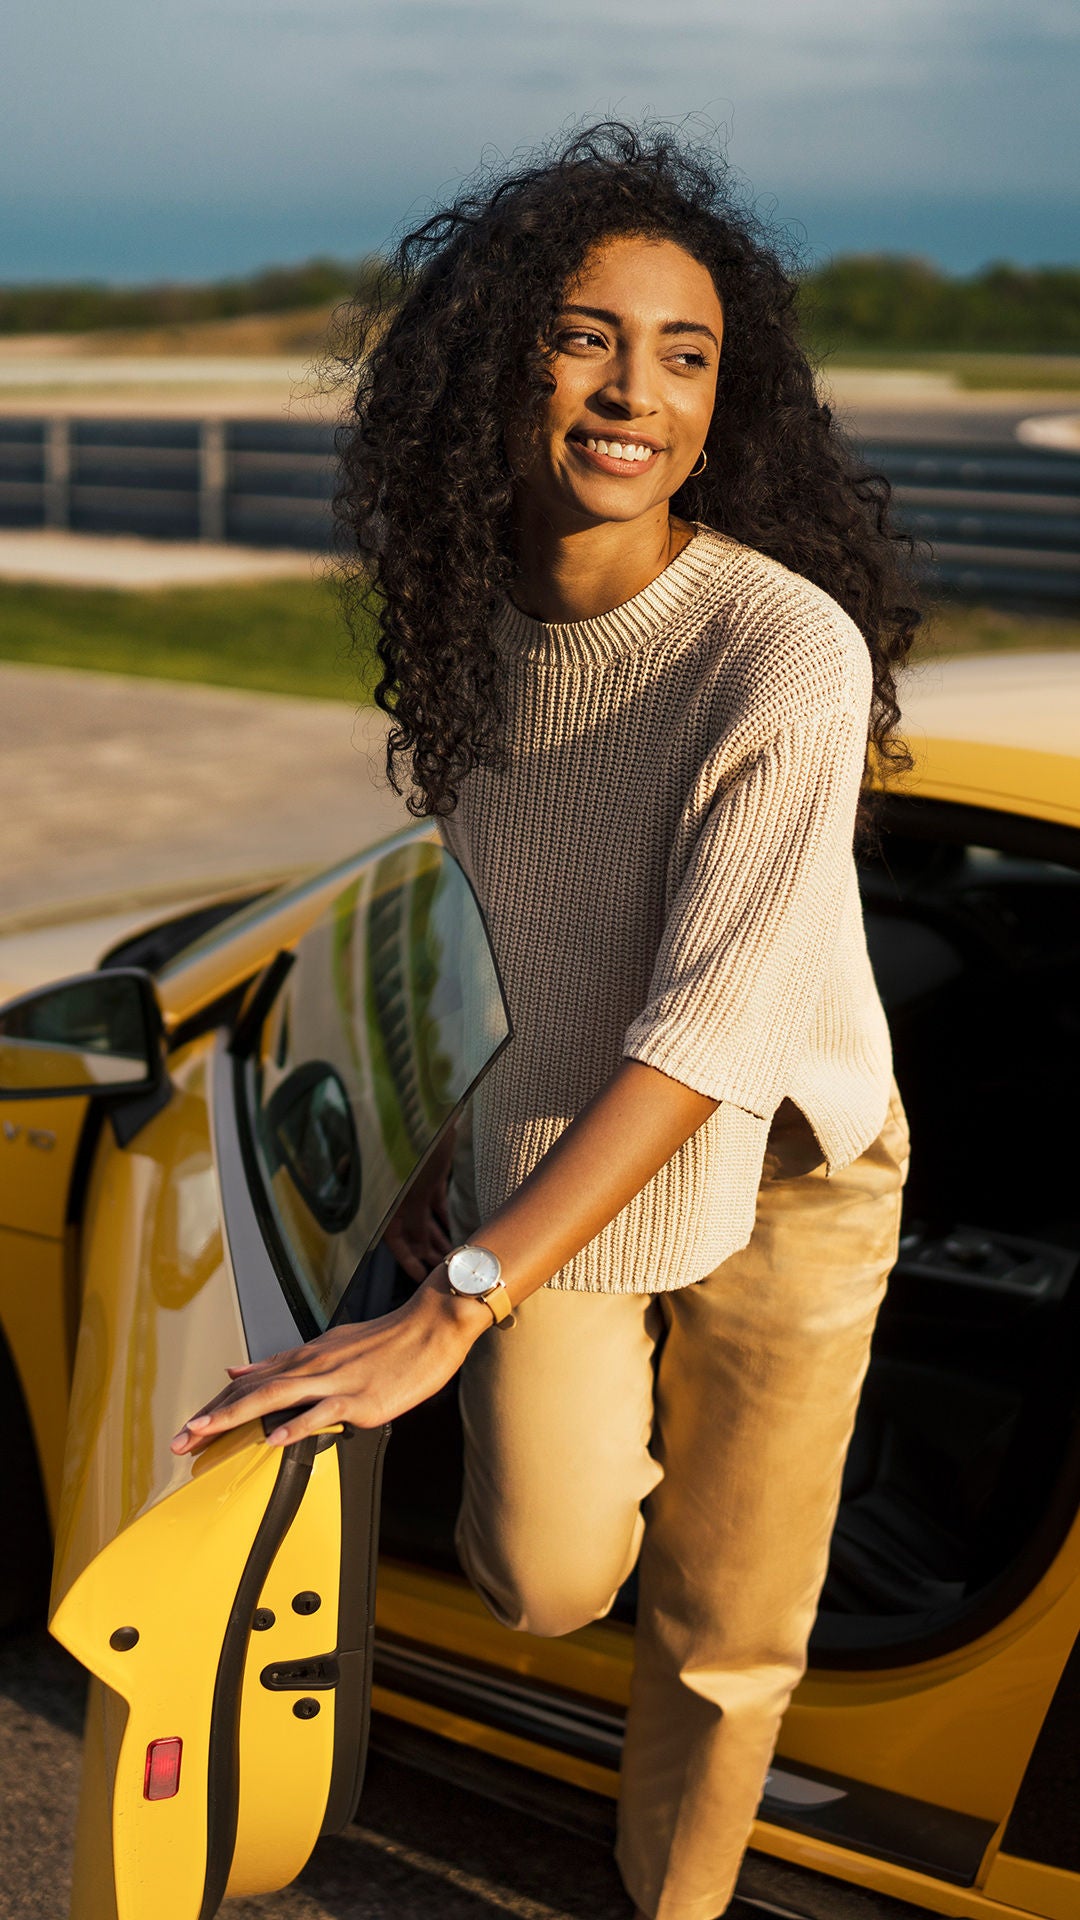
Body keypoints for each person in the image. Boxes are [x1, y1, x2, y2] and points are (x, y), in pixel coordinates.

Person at [173, 124, 918, 1920]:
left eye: (685, 355)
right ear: (497, 361)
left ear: (725, 402)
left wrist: (460, 1301)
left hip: (790, 1156)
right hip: (563, 1138)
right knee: (549, 1573)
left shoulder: (782, 650)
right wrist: (445, 1132)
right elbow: (489, 909)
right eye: (586, 338)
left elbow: (715, 1018)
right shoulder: (464, 615)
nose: (634, 393)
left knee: (730, 1622)